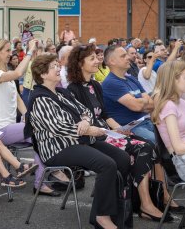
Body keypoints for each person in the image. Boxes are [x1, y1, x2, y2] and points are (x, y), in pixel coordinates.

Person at [67, 44, 173, 222]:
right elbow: (81, 122)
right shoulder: (73, 90)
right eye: (92, 58)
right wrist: (110, 131)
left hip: (106, 131)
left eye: (96, 57)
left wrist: (119, 130)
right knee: (144, 148)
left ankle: (145, 202)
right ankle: (145, 203)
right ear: (79, 64)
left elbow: (105, 115)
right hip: (91, 137)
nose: (97, 61)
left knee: (145, 147)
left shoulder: (96, 85)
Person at [25, 53, 131, 229]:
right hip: (57, 149)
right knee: (106, 164)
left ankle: (113, 207)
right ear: (42, 74)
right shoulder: (40, 98)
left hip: (78, 141)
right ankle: (101, 216)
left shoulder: (61, 92)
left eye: (58, 65)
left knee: (122, 158)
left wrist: (84, 122)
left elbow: (86, 111)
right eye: (53, 66)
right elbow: (58, 128)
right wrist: (89, 129)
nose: (59, 68)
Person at [0, 39, 61, 196]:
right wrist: (29, 51)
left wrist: (28, 115)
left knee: (43, 138)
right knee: (41, 129)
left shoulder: (5, 74)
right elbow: (18, 73)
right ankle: (49, 172)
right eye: (7, 51)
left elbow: (18, 99)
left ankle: (40, 181)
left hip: (10, 127)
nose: (10, 54)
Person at [151, 60, 185, 190]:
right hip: (184, 163)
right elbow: (178, 148)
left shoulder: (183, 103)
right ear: (173, 79)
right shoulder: (168, 106)